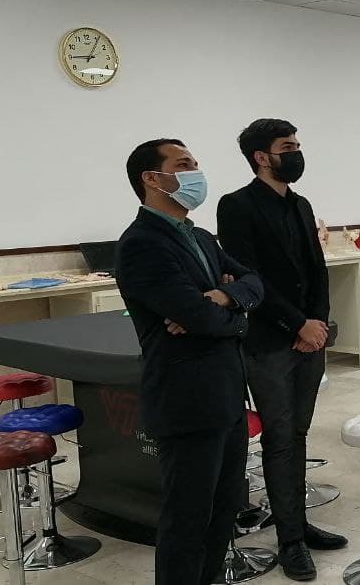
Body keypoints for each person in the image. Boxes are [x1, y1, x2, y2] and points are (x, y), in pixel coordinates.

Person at [115, 139, 264, 585]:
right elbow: (198, 316)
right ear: (151, 178)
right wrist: (231, 315)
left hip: (227, 395)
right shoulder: (141, 243)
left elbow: (255, 283)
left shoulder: (200, 237)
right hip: (187, 400)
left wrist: (225, 297)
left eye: (196, 163)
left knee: (222, 512)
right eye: (183, 165)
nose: (196, 172)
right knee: (188, 519)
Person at [217, 119, 345, 582]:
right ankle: (289, 541)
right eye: (287, 146)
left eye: (297, 145)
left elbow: (316, 270)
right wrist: (297, 323)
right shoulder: (236, 205)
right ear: (261, 157)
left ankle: (299, 523)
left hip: (310, 337)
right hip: (270, 340)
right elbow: (249, 277)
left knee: (299, 434)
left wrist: (318, 325)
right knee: (280, 436)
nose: (296, 152)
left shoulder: (300, 204)